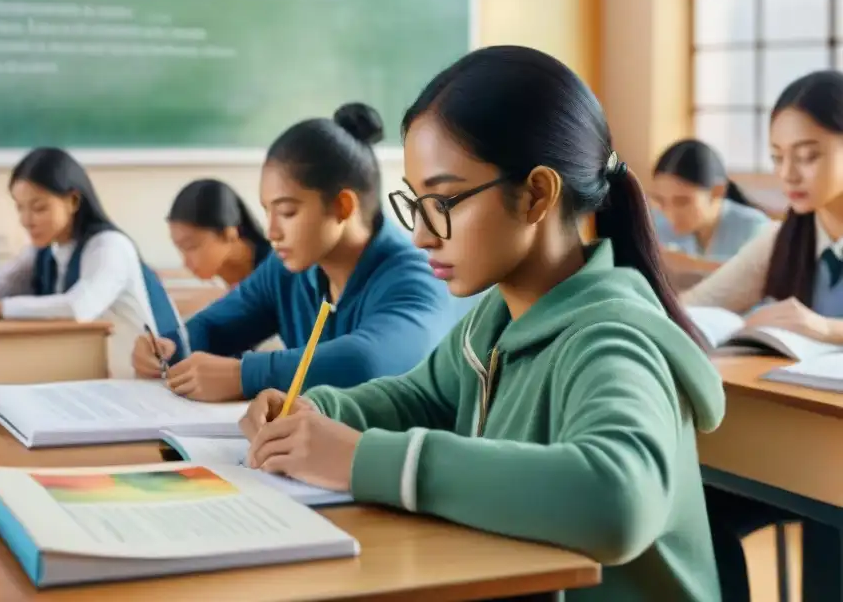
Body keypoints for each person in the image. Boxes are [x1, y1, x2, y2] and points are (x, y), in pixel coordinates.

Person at [239, 46, 726, 602]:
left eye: (444, 200)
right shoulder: (491, 323)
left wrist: (359, 460)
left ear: (538, 194)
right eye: (416, 203)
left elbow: (618, 499)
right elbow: (414, 399)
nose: (422, 235)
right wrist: (313, 411)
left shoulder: (613, 339)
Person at [132, 102, 453, 402]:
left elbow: (366, 362)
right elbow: (214, 327)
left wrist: (244, 375)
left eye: (286, 212)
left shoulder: (418, 273)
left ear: (343, 207)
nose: (271, 232)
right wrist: (168, 347)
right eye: (267, 212)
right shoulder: (286, 269)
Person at [683, 69, 843, 601]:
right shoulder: (786, 236)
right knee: (691, 509)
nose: (788, 173)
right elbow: (696, 307)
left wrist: (826, 328)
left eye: (808, 154)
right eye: (777, 156)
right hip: (796, 448)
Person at [0, 147, 185, 378]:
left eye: (39, 207)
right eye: (19, 207)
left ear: (73, 201)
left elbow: (78, 307)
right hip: (92, 379)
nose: (26, 220)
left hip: (150, 382)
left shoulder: (109, 245)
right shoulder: (44, 250)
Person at [650, 139, 769, 260]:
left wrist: (687, 264)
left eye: (682, 202)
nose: (670, 214)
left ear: (716, 192)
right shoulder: (655, 224)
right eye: (660, 200)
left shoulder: (754, 228)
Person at [167, 179, 271, 287]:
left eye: (191, 246)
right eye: (180, 249)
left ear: (229, 234)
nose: (186, 263)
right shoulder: (228, 273)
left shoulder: (277, 272)